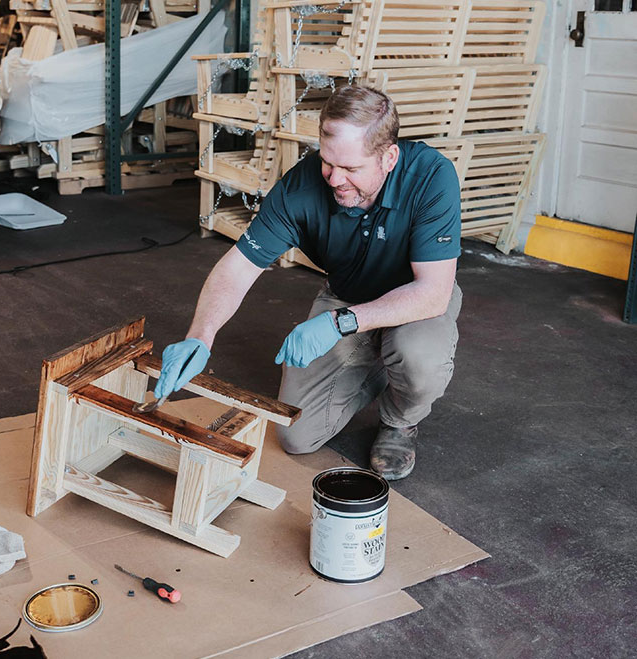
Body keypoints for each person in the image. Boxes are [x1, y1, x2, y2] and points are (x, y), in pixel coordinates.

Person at [154, 85, 462, 481]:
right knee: (296, 435)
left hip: (413, 303)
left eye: (351, 169)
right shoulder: (300, 189)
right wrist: (201, 335)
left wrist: (339, 325)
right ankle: (377, 364)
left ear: (388, 158)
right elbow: (238, 268)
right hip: (346, 297)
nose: (335, 180)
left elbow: (432, 293)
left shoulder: (431, 177)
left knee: (418, 357)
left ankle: (400, 419)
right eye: (327, 162)